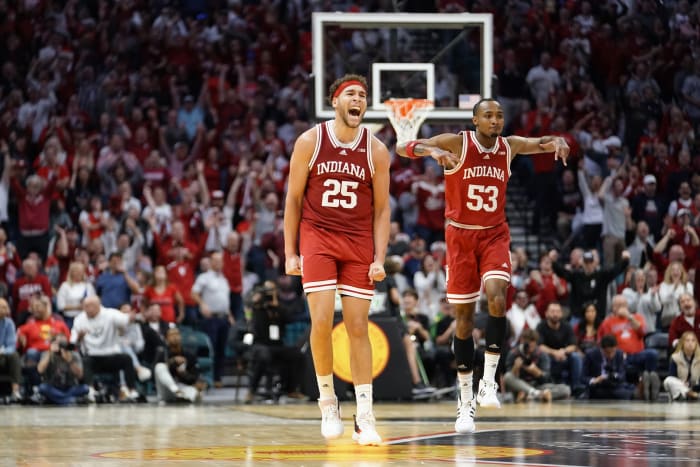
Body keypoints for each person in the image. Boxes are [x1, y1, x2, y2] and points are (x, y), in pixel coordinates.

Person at [396, 97, 570, 433]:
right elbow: (403, 146)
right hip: (459, 238)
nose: (495, 120)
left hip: (494, 235)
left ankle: (489, 381)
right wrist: (430, 151)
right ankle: (465, 400)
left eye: (499, 115)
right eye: (488, 115)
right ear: (475, 121)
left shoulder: (510, 146)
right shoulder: (457, 142)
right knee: (462, 321)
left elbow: (543, 143)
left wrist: (559, 141)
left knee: (496, 295)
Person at [283, 74, 390, 445]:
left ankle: (365, 416)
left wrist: (380, 256)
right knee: (323, 320)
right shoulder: (310, 141)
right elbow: (293, 200)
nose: (358, 99)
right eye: (351, 94)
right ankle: (328, 401)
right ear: (335, 102)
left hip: (358, 241)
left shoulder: (376, 150)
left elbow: (381, 210)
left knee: (358, 326)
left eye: (363, 95)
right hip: (319, 237)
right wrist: (290, 251)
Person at [503, 329, 571, 402]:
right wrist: (515, 368)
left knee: (566, 390)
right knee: (507, 376)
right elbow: (509, 379)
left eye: (533, 341)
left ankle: (530, 396)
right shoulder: (513, 353)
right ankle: (537, 395)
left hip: (536, 385)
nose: (530, 344)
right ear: (522, 341)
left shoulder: (541, 355)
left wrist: (536, 372)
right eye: (528, 341)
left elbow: (547, 379)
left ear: (536, 342)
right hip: (520, 386)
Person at [154, 327, 203, 403]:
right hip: (167, 390)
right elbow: (153, 373)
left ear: (181, 337)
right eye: (171, 335)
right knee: (159, 366)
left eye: (177, 334)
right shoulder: (162, 353)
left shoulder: (189, 355)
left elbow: (194, 378)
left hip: (182, 387)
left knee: (194, 391)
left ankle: (183, 398)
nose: (175, 337)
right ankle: (176, 391)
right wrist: (171, 361)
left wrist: (183, 373)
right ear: (166, 339)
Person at [36, 334, 89, 405]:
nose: (62, 347)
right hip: (53, 387)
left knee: (85, 388)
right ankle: (69, 400)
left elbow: (80, 375)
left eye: (63, 344)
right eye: (59, 344)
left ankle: (58, 400)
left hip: (70, 387)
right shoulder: (47, 354)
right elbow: (40, 370)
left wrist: (69, 361)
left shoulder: (74, 355)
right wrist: (50, 352)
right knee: (42, 388)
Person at [583, 334, 636, 400]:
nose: (610, 355)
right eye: (607, 352)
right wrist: (594, 380)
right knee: (600, 393)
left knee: (622, 390)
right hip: (598, 386)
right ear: (601, 349)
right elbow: (583, 377)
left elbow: (622, 374)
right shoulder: (590, 355)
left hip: (614, 385)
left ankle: (639, 391)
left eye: (613, 352)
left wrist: (614, 376)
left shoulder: (619, 354)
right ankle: (635, 393)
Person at [664, 330, 700, 401]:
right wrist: (682, 383)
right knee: (668, 380)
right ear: (682, 343)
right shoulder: (675, 357)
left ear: (696, 343)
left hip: (695, 388)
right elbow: (672, 377)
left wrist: (691, 386)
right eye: (687, 341)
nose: (690, 343)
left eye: (693, 341)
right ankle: (687, 394)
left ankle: (685, 395)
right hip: (680, 386)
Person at [0, 298, 21, 402]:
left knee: (15, 355)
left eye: (7, 307)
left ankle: (15, 392)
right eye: (3, 307)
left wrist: (1, 351)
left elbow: (11, 345)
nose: (7, 310)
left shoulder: (9, 323)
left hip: (3, 356)